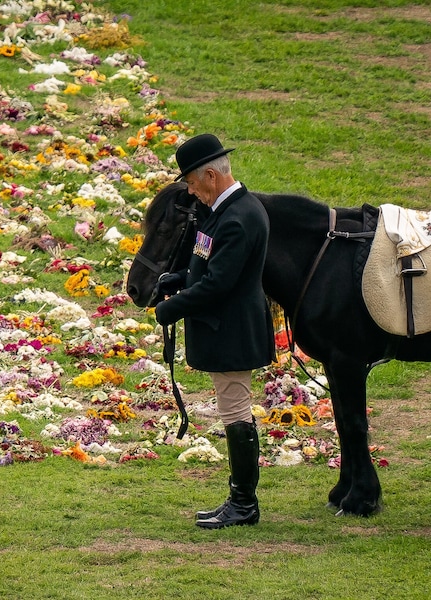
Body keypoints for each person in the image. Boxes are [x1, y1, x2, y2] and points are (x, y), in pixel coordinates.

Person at [153, 133, 275, 529]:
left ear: (209, 175)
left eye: (190, 183)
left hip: (233, 329)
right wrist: (178, 278)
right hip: (226, 326)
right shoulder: (225, 211)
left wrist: (171, 309)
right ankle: (239, 500)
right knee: (231, 410)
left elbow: (219, 284)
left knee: (236, 412)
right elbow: (207, 264)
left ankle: (243, 504)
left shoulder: (239, 217)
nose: (191, 191)